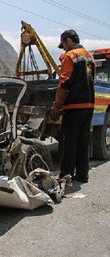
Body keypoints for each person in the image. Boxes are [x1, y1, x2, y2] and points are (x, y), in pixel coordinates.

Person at [50, 29, 95, 183]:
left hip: (74, 106)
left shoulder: (71, 56)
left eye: (63, 44)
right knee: (83, 141)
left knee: (69, 141)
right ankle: (83, 175)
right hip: (88, 105)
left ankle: (65, 175)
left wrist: (56, 105)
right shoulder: (90, 56)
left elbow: (64, 83)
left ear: (69, 40)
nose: (63, 48)